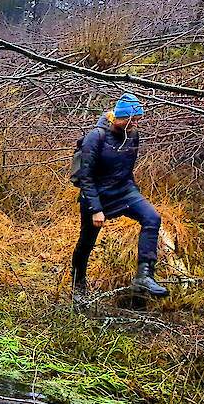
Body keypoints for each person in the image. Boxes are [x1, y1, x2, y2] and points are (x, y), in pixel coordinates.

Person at [71, 93, 168, 303]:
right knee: (86, 243)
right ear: (119, 117)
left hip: (124, 192)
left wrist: (133, 192)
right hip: (97, 196)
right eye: (131, 120)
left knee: (152, 218)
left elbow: (127, 168)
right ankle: (78, 288)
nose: (135, 124)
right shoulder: (96, 137)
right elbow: (85, 177)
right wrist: (96, 209)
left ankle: (144, 275)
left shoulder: (133, 135)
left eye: (137, 120)